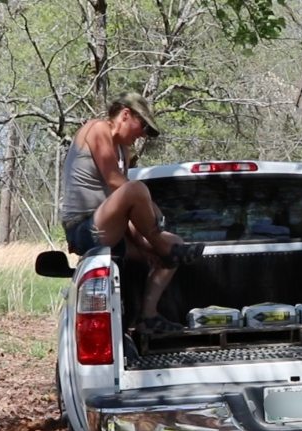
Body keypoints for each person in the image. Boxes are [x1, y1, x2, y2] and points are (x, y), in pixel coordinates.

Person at [60, 91, 204, 333]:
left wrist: (146, 246)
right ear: (126, 115)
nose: (143, 135)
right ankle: (162, 244)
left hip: (111, 230)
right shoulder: (96, 129)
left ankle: (147, 317)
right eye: (143, 126)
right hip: (83, 228)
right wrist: (154, 211)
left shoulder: (124, 152)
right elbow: (116, 182)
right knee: (136, 190)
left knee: (172, 252)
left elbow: (125, 210)